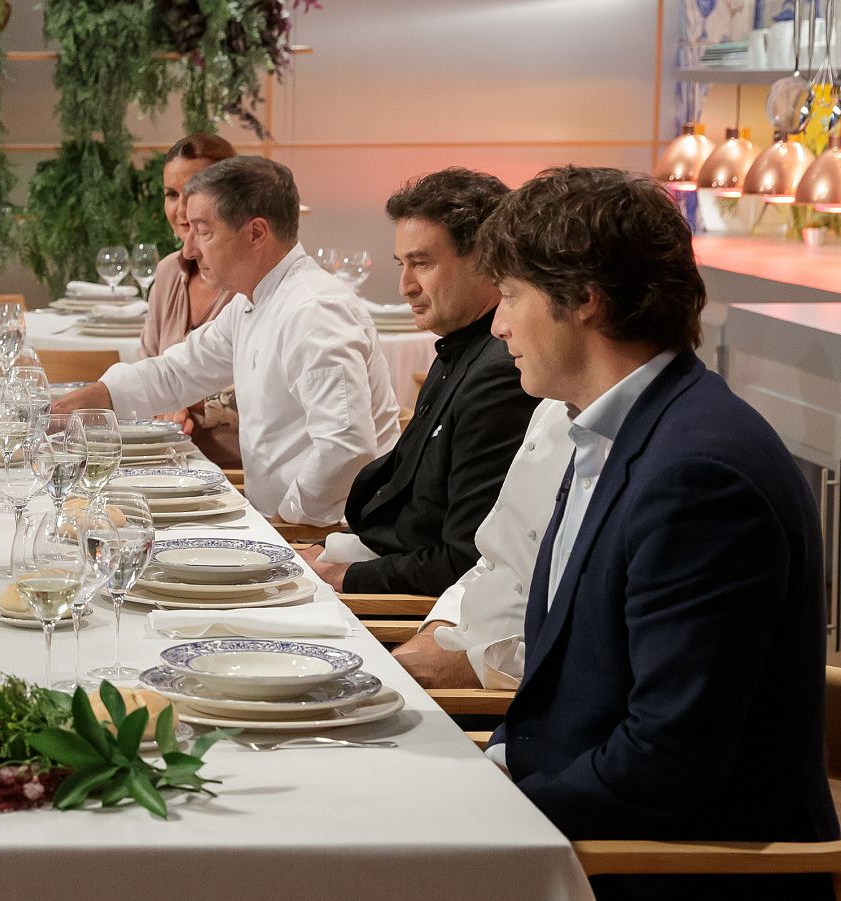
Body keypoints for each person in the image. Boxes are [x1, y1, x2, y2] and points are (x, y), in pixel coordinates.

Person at [481, 166, 837, 900]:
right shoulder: (623, 432)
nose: (498, 325)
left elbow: (668, 758)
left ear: (584, 298)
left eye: (511, 296)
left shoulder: (700, 476)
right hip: (596, 828)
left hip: (669, 866)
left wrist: (488, 814)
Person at [54, 156, 401, 525]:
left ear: (255, 233)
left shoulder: (313, 311)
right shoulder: (253, 300)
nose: (188, 250)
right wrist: (101, 395)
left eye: (202, 231)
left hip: (332, 534)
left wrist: (288, 521)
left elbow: (347, 446)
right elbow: (180, 370)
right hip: (281, 521)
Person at [300, 168, 537, 596]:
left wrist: (343, 578)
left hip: (412, 615)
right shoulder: (457, 351)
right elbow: (406, 517)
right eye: (403, 264)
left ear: (487, 261)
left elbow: (466, 560)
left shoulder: (502, 373)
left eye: (422, 264)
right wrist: (324, 552)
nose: (405, 286)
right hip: (379, 568)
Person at [390, 397, 570, 689]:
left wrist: (467, 667)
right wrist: (435, 631)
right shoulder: (550, 408)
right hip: (457, 646)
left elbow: (586, 646)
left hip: (499, 692)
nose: (501, 348)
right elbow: (490, 559)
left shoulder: (632, 440)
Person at [139, 133, 241, 468]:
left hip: (242, 479)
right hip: (165, 466)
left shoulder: (251, 279)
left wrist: (185, 400)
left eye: (194, 194)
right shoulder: (168, 271)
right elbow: (145, 370)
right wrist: (159, 400)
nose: (181, 210)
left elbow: (275, 397)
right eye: (171, 194)